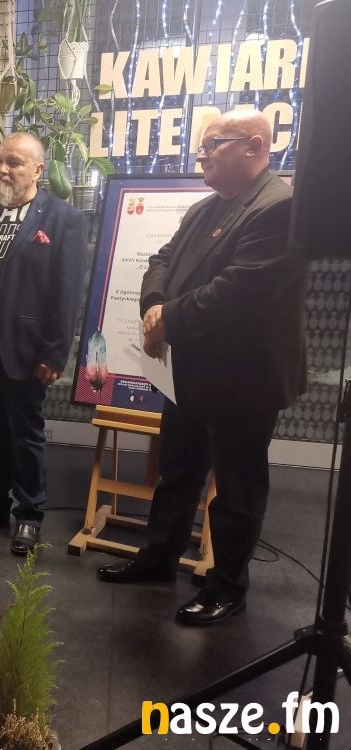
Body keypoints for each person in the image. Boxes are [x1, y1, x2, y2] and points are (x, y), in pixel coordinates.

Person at [97, 110, 309, 626]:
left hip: (245, 380)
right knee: (178, 471)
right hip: (190, 371)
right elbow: (161, 260)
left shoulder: (279, 208)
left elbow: (235, 294)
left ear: (254, 146)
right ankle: (158, 559)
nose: (201, 154)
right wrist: (155, 305)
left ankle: (227, 587)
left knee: (237, 488)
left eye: (214, 143)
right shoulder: (204, 208)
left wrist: (166, 319)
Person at [0, 133, 87, 555]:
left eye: (15, 163)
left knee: (25, 435)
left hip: (26, 352)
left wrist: (54, 353)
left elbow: (67, 294)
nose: (3, 170)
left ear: (39, 170)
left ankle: (29, 515)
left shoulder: (63, 220)